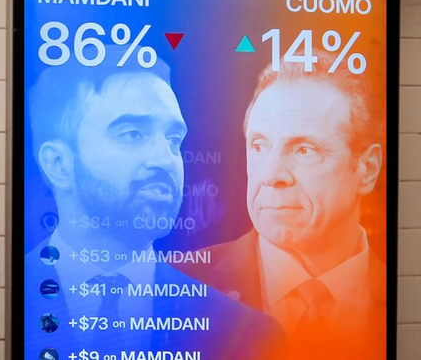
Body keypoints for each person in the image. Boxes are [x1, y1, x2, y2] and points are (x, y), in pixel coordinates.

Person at [24, 51, 283, 359]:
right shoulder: (7, 291)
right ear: (59, 164)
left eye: (173, 139)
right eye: (132, 134)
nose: (165, 160)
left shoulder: (242, 330)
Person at [178, 50, 385, 357]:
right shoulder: (178, 286)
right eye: (259, 146)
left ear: (367, 169)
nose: (272, 175)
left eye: (304, 149)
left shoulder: (406, 293)